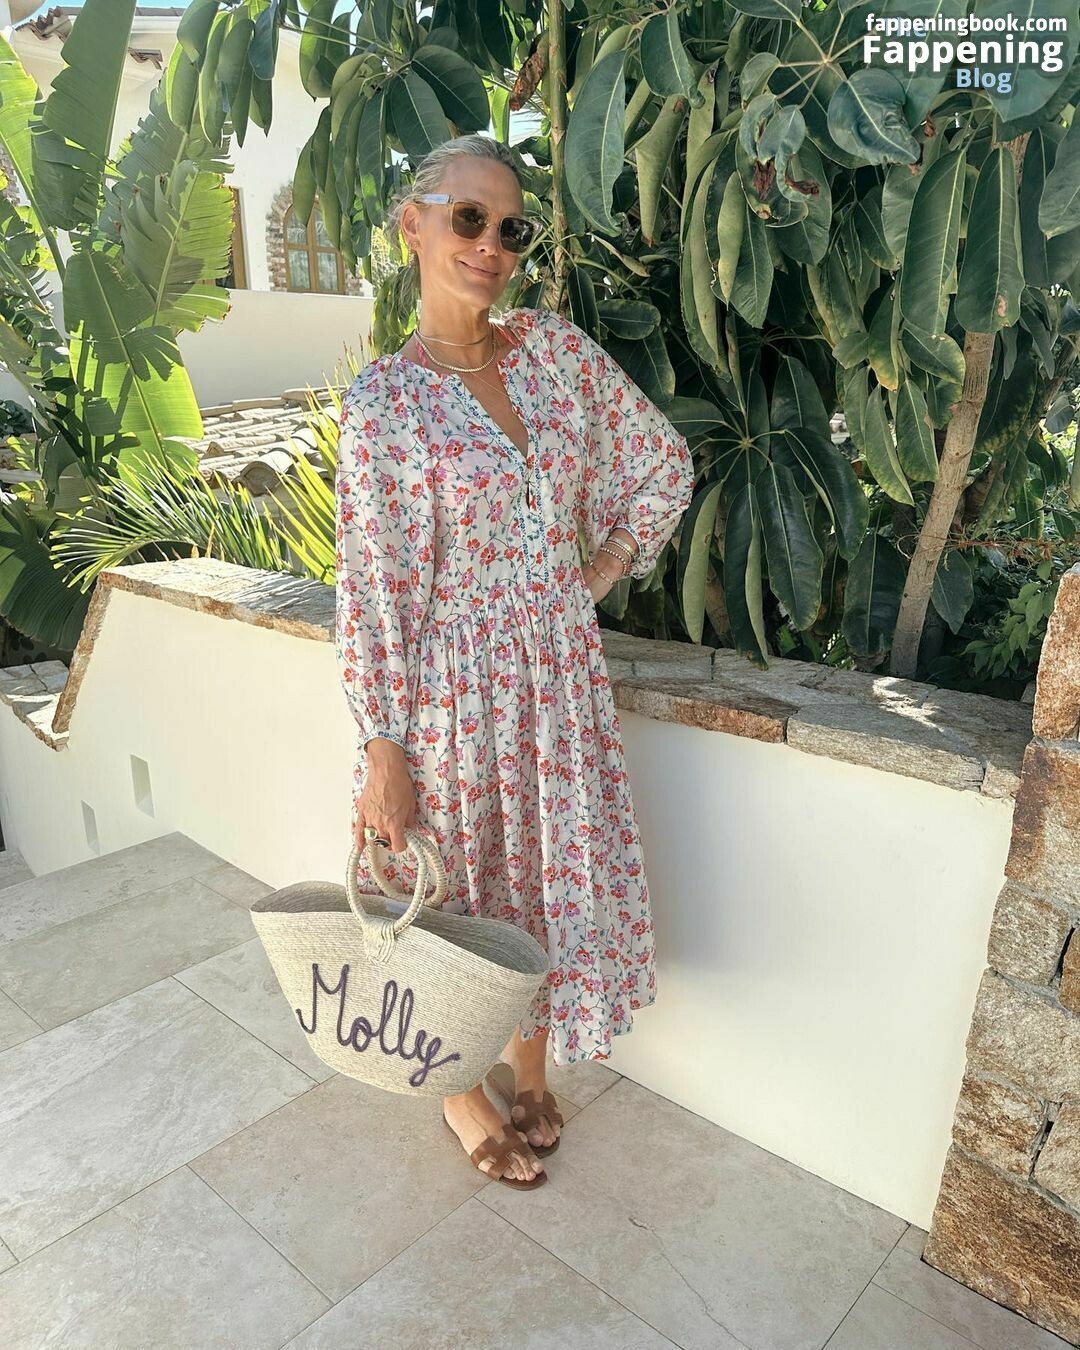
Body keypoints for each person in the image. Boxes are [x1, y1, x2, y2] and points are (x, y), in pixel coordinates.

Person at [334, 133, 694, 1187]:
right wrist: (383, 744)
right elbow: (375, 588)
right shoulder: (385, 405)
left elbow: (662, 463)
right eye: (468, 218)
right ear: (413, 225)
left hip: (560, 682)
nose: (490, 244)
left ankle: (530, 1070)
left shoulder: (555, 354)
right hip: (450, 698)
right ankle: (457, 1092)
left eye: (511, 227)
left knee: (541, 884)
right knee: (454, 895)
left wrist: (598, 572)